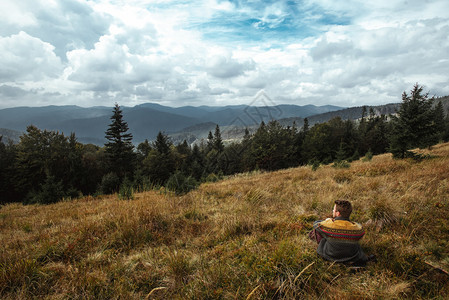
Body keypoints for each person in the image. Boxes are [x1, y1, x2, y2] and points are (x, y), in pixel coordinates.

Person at [309, 200, 374, 266]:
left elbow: (316, 224)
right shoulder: (357, 228)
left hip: (330, 256)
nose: (333, 211)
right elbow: (361, 229)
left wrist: (327, 220)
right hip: (352, 257)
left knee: (317, 232)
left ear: (338, 213)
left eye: (334, 210)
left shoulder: (330, 225)